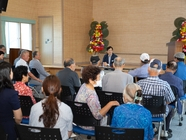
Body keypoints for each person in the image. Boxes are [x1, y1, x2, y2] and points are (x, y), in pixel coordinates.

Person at [137, 59, 175, 138]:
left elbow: (136, 99)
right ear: (160, 70)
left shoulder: (139, 83)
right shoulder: (165, 84)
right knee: (171, 108)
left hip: (143, 112)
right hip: (159, 113)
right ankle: (164, 131)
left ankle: (152, 127)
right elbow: (170, 100)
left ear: (148, 69)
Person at [75, 65, 119, 130]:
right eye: (98, 77)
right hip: (91, 124)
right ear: (90, 80)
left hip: (79, 121)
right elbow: (98, 116)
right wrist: (110, 104)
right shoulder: (91, 96)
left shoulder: (83, 86)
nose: (100, 80)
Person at [29, 75, 73, 140]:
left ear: (42, 89)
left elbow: (32, 129)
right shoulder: (66, 109)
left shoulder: (34, 108)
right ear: (60, 90)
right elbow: (69, 132)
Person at [0, 61, 22, 140]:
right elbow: (18, 117)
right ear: (7, 74)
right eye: (11, 71)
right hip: (7, 129)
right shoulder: (11, 94)